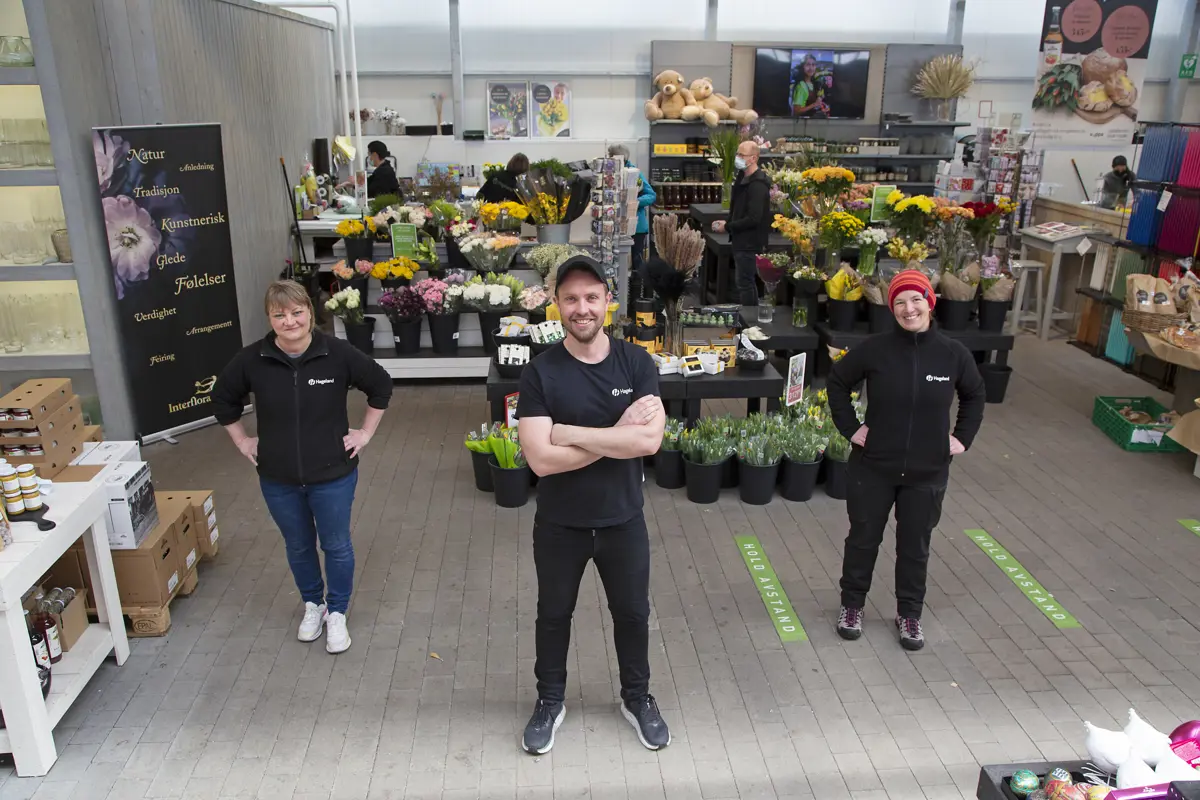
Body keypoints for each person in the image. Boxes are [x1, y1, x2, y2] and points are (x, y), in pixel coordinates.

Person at [516, 255, 670, 754]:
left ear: (607, 300)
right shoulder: (541, 373)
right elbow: (540, 460)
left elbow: (648, 443)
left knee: (631, 614)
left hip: (624, 520)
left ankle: (637, 698)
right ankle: (550, 701)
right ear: (556, 306)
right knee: (553, 615)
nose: (581, 308)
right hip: (560, 524)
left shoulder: (636, 363)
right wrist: (617, 434)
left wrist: (575, 435)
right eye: (570, 299)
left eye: (590, 297)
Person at [212, 280, 393, 654]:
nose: (289, 321)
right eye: (279, 315)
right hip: (278, 478)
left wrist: (364, 434)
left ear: (311, 312)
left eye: (297, 312)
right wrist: (243, 441)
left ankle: (338, 612)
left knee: (336, 545)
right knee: (298, 545)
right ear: (269, 318)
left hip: (333, 475)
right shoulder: (252, 360)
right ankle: (315, 604)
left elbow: (380, 385)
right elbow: (223, 399)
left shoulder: (337, 354)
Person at [827, 270, 985, 651]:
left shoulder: (952, 354)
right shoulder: (875, 349)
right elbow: (837, 381)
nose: (908, 308)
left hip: (926, 472)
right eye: (899, 302)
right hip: (873, 467)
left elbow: (975, 395)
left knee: (915, 545)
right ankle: (852, 607)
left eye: (915, 300)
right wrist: (851, 428)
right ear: (892, 308)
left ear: (930, 302)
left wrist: (961, 439)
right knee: (863, 539)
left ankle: (909, 613)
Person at [711, 140, 771, 305]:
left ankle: (749, 323)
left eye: (741, 155)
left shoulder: (758, 185)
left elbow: (754, 217)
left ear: (753, 158)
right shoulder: (742, 178)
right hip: (740, 240)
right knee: (743, 282)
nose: (737, 157)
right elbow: (738, 207)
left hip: (750, 243)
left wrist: (728, 227)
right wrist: (728, 221)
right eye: (737, 154)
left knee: (745, 283)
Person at [608, 144, 657, 298]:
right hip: (615, 226)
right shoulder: (608, 173)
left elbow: (651, 195)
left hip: (637, 227)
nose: (610, 158)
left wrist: (633, 202)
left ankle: (639, 298)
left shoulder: (635, 173)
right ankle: (621, 294)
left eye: (612, 156)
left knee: (637, 262)